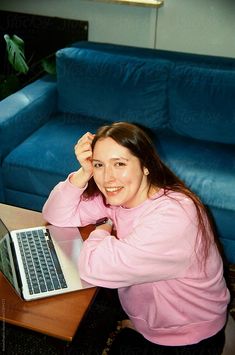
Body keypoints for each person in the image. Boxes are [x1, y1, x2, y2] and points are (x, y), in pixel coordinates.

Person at [42, 122, 230, 354]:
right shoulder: (122, 196)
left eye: (119, 164)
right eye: (100, 165)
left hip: (188, 336)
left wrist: (103, 228)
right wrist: (83, 173)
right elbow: (56, 215)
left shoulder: (174, 216)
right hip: (152, 318)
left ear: (146, 166)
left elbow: (94, 267)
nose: (108, 177)